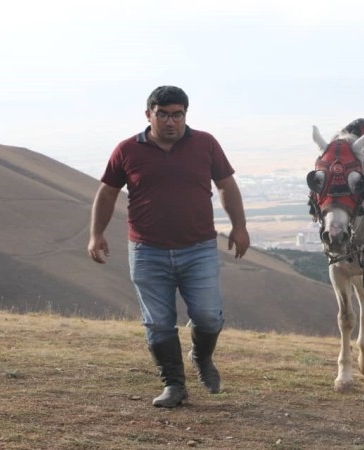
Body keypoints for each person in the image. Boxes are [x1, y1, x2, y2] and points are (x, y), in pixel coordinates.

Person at [87, 86, 250, 408]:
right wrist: (96, 234)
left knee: (207, 316)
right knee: (158, 322)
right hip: (147, 251)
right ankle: (174, 385)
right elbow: (107, 192)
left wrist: (239, 227)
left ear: (185, 115)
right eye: (163, 114)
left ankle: (201, 357)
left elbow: (226, 185)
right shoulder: (127, 150)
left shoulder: (205, 143)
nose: (171, 121)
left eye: (178, 114)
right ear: (149, 114)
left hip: (199, 248)